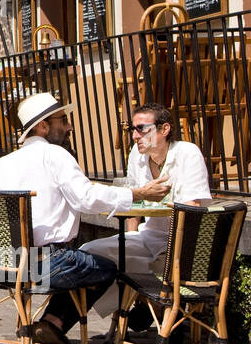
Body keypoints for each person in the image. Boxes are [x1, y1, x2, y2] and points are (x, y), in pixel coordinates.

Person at [0, 93, 169, 344]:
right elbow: (86, 199)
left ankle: (50, 325)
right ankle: (57, 324)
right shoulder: (56, 155)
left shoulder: (1, 164)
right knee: (103, 268)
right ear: (43, 126)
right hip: (48, 264)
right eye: (63, 120)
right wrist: (136, 194)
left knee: (81, 260)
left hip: (4, 264)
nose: (69, 126)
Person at [82, 103, 207, 325]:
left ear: (164, 129)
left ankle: (152, 313)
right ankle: (134, 307)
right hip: (148, 237)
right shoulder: (136, 157)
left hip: (180, 244)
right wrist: (129, 236)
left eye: (141, 129)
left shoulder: (187, 153)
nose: (134, 136)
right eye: (132, 129)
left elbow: (192, 210)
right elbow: (134, 206)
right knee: (89, 252)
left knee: (159, 271)